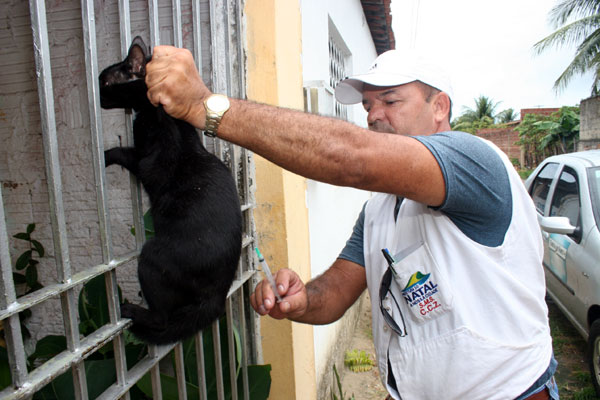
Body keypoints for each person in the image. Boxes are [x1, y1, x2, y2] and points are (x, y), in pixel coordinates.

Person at [145, 46, 558, 400]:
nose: (374, 116)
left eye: (391, 101)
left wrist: (203, 105)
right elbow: (338, 290)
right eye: (367, 106)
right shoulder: (382, 209)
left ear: (439, 107)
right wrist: (302, 299)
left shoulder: (474, 160)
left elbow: (353, 157)